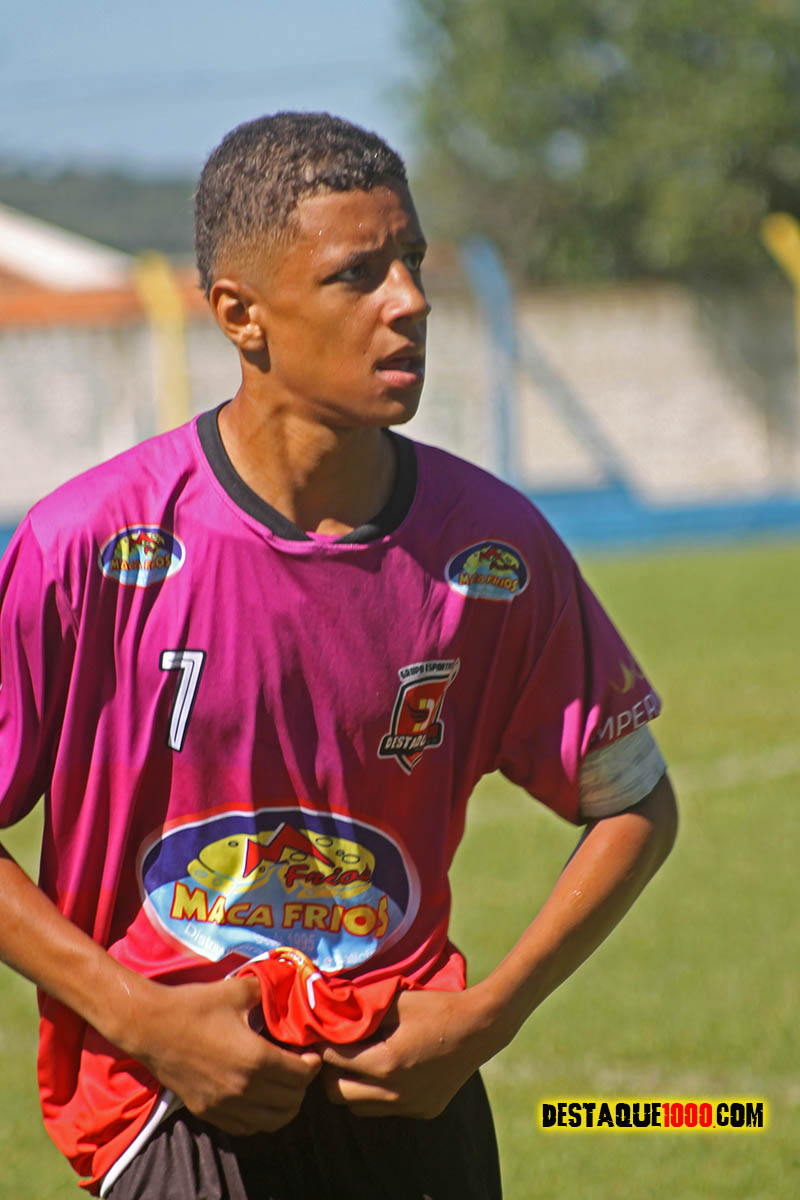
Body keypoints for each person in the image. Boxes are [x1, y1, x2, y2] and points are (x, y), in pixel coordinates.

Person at [0, 112, 677, 1199]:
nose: (408, 301)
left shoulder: (494, 551)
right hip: (170, 1101)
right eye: (357, 273)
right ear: (240, 314)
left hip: (409, 1092)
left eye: (411, 260)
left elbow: (634, 801)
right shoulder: (86, 545)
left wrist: (485, 1019)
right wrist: (141, 1017)